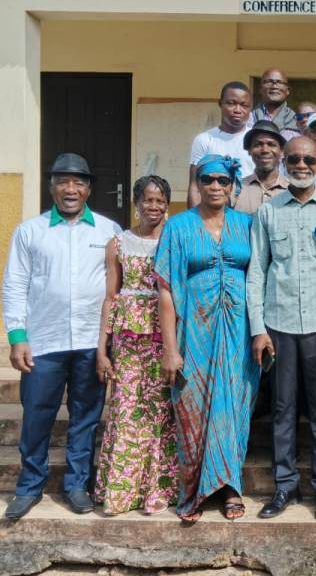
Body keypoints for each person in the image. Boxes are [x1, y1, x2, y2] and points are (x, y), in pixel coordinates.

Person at [2, 153, 121, 521]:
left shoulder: (108, 231)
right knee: (37, 416)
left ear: (88, 189)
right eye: (63, 182)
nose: (71, 189)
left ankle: (76, 486)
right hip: (44, 342)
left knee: (86, 417)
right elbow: (15, 284)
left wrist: (110, 343)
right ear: (51, 187)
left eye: (78, 182)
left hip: (90, 343)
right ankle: (29, 486)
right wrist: (17, 336)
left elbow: (117, 287)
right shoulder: (30, 231)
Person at [248, 137, 316, 521]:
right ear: (284, 162)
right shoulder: (268, 212)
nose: (302, 165)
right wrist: (258, 329)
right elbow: (257, 271)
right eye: (294, 159)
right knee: (282, 410)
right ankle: (285, 486)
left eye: (309, 159)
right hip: (279, 327)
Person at [155, 154, 259, 522]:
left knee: (235, 409)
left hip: (238, 333)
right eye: (207, 179)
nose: (215, 186)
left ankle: (230, 487)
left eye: (222, 180)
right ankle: (193, 491)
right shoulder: (178, 227)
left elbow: (259, 278)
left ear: (233, 186)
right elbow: (166, 290)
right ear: (197, 184)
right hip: (194, 332)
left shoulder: (247, 225)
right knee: (193, 409)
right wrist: (170, 349)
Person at [93, 175, 176, 516]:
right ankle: (121, 494)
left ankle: (157, 491)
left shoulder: (174, 239)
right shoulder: (118, 243)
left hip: (164, 337)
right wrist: (102, 350)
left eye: (160, 201)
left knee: (160, 412)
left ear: (167, 205)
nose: (153, 206)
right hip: (127, 339)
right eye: (147, 200)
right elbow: (111, 297)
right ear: (136, 203)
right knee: (126, 410)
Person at [188, 81, 254, 207]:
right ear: (220, 103)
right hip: (213, 210)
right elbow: (195, 186)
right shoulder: (204, 140)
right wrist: (194, 218)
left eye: (244, 105)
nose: (237, 110)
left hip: (250, 209)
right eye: (231, 103)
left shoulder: (257, 140)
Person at [234, 120, 289, 215]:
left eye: (271, 144)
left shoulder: (293, 190)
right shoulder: (235, 190)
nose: (265, 150)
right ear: (249, 150)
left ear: (281, 151)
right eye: (258, 145)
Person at [252, 68, 299, 141]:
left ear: (287, 90)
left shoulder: (297, 120)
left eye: (279, 82)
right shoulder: (249, 118)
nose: (274, 86)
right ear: (260, 88)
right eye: (269, 82)